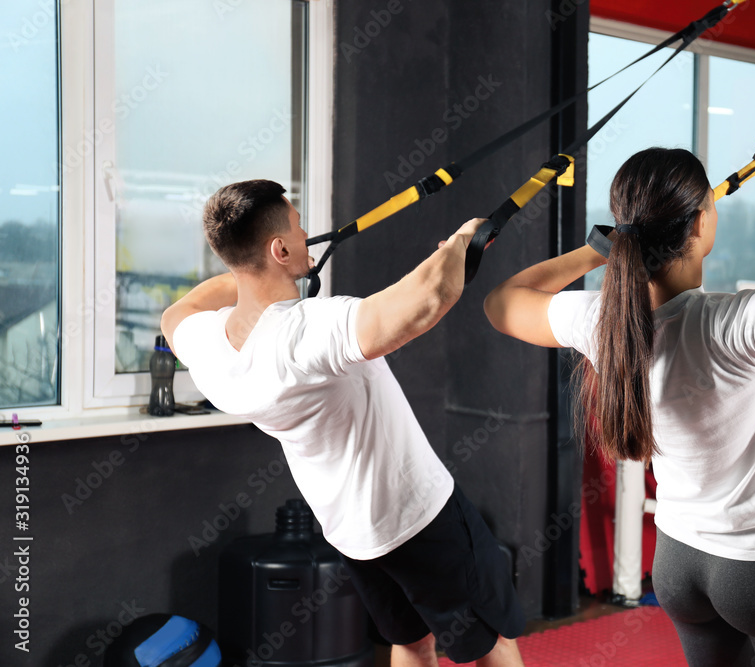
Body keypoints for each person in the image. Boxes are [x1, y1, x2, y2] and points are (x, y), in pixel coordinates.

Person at [483, 147, 755, 666]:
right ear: (698, 225)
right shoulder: (737, 320)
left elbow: (504, 299)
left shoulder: (601, 321)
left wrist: (601, 250)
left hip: (681, 565)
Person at [160, 179, 524, 667]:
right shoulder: (306, 332)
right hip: (419, 515)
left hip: (351, 531)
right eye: (296, 226)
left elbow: (176, 312)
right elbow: (426, 302)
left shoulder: (208, 347)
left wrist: (249, 272)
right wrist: (462, 242)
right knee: (495, 638)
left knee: (410, 641)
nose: (307, 232)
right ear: (280, 247)